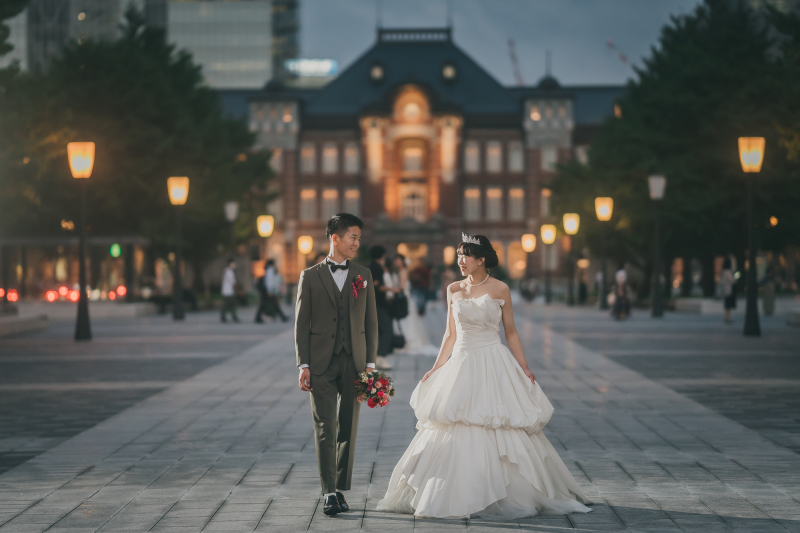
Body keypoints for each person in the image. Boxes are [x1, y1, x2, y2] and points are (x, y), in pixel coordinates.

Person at [377, 233, 591, 519]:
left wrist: (524, 367)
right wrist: (437, 366)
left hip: (493, 360)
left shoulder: (501, 288)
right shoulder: (453, 289)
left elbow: (511, 331)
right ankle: (452, 492)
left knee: (497, 420)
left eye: (466, 255)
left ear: (481, 259)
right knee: (454, 419)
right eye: (458, 255)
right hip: (462, 361)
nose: (460, 260)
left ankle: (508, 491)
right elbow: (450, 334)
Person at [295, 213, 378, 517]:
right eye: (353, 237)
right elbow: (301, 325)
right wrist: (303, 364)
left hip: (354, 362)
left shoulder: (363, 275)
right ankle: (329, 492)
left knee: (349, 427)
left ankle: (341, 487)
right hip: (320, 363)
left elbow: (371, 324)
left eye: (358, 237)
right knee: (324, 426)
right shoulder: (310, 276)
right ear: (335, 238)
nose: (357, 242)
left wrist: (370, 364)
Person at [392, 254, 439, 356]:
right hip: (406, 297)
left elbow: (402, 286)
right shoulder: (403, 271)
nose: (396, 262)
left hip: (403, 297)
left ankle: (408, 340)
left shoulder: (404, 271)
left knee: (406, 318)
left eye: (398, 260)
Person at [368, 245, 394, 371]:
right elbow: (377, 285)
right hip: (379, 304)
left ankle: (374, 358)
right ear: (382, 256)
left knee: (377, 332)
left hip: (372, 304)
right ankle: (381, 357)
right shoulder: (377, 268)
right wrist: (393, 290)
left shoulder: (369, 266)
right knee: (387, 330)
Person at [220, 259, 239, 323]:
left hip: (226, 291)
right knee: (231, 305)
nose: (233, 265)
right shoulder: (229, 272)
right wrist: (237, 289)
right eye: (232, 263)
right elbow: (233, 282)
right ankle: (233, 317)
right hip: (229, 292)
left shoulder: (226, 271)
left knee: (226, 305)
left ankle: (224, 317)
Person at [721, 257, 736, 323]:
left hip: (725, 290)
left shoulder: (724, 272)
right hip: (728, 290)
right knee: (728, 306)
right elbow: (732, 280)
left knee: (726, 306)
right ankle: (727, 318)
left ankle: (726, 318)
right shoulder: (727, 272)